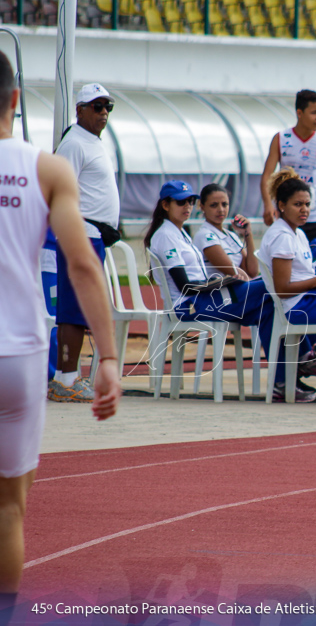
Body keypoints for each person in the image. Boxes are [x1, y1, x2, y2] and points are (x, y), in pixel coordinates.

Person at [0, 50, 120, 625]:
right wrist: (112, 358)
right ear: (15, 102)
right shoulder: (47, 168)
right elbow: (82, 266)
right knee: (9, 507)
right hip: (20, 351)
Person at [144, 181, 274, 390]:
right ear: (165, 205)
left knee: (269, 307)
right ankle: (307, 357)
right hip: (189, 305)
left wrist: (219, 282)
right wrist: (218, 282)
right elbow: (184, 285)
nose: (187, 206)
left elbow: (250, 271)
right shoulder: (167, 235)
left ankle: (283, 378)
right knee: (272, 287)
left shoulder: (180, 232)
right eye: (180, 202)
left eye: (190, 201)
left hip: (205, 298)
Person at [48, 83, 120, 403]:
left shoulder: (93, 142)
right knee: (75, 308)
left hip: (93, 234)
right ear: (80, 110)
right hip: (81, 233)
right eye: (97, 106)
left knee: (81, 307)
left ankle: (68, 377)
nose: (103, 113)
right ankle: (65, 379)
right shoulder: (75, 143)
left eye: (108, 107)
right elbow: (58, 188)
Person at [259, 168, 316, 402]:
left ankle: (312, 355)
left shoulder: (297, 233)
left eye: (308, 204)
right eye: (297, 204)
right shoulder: (282, 236)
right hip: (296, 307)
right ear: (281, 205)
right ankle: (313, 355)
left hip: (308, 299)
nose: (304, 210)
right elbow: (282, 289)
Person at [260, 90, 316, 242]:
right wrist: (268, 205)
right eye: (314, 112)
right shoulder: (281, 138)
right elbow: (267, 177)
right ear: (299, 113)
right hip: (288, 214)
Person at [193, 183, 259, 279]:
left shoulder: (231, 235)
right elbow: (233, 271)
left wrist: (247, 234)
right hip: (220, 291)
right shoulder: (204, 235)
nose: (221, 210)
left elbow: (253, 271)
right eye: (214, 205)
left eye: (224, 204)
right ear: (203, 207)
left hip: (237, 288)